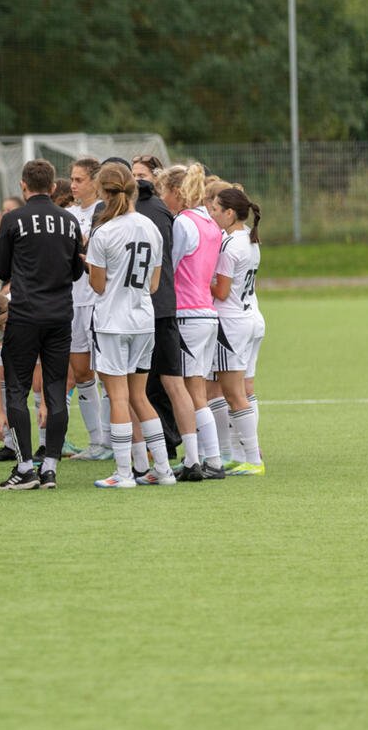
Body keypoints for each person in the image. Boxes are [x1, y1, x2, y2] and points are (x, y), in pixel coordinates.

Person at [0, 159, 84, 490]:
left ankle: (24, 467)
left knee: (16, 388)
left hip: (26, 314)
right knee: (56, 388)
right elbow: (76, 271)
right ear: (54, 187)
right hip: (60, 314)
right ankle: (50, 468)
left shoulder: (13, 219)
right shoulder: (69, 221)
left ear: (23, 186)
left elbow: (2, 269)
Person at [86, 162, 176, 489]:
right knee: (140, 396)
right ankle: (162, 469)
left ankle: (124, 473)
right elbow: (153, 284)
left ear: (103, 192)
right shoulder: (150, 227)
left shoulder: (104, 232)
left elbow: (97, 285)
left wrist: (91, 267)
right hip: (143, 319)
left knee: (119, 397)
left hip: (113, 322)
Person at [157, 161, 227, 482]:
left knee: (189, 390)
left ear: (176, 192)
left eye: (163, 192)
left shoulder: (183, 222)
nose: (162, 200)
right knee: (197, 387)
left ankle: (198, 460)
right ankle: (209, 459)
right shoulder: (210, 223)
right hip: (207, 313)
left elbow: (170, 266)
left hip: (186, 313)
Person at [208, 185, 266, 476]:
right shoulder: (250, 240)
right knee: (243, 390)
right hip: (251, 318)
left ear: (230, 213)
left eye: (216, 210)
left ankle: (253, 459)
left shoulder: (232, 246)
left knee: (232, 392)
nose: (212, 214)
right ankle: (239, 454)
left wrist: (197, 279)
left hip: (232, 323)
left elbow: (221, 290)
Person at [64, 157, 111, 462]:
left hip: (98, 300)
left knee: (109, 373)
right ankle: (95, 441)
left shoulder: (104, 212)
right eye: (72, 179)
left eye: (79, 180)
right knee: (81, 371)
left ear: (95, 182)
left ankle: (111, 438)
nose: (73, 185)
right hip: (73, 300)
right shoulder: (66, 214)